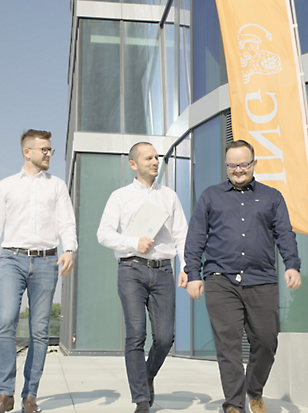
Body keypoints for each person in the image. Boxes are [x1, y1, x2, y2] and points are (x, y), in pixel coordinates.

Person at [184, 139, 302, 413]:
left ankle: (254, 389)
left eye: (244, 164)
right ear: (226, 166)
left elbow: (285, 233)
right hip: (220, 278)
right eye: (233, 165)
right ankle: (234, 405)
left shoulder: (272, 197)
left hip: (261, 279)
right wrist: (193, 274)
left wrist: (292, 264)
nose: (238, 169)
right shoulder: (210, 196)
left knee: (266, 341)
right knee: (229, 346)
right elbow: (196, 237)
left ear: (254, 164)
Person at [0, 129, 77, 413]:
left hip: (46, 262)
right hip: (11, 260)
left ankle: (30, 395)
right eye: (44, 149)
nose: (48, 154)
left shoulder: (56, 186)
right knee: (6, 320)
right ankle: (4, 393)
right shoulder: (6, 186)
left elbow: (67, 223)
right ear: (27, 152)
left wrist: (69, 249)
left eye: (50, 150)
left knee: (40, 331)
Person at [97, 142, 189, 413]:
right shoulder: (119, 196)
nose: (155, 161)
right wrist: (133, 243)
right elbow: (103, 233)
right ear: (133, 164)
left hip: (163, 271)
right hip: (130, 269)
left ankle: (147, 375)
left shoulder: (169, 196)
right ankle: (141, 400)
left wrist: (187, 266)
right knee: (136, 334)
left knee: (165, 338)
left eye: (157, 157)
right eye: (148, 158)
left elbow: (182, 234)